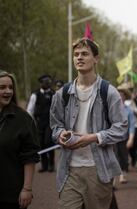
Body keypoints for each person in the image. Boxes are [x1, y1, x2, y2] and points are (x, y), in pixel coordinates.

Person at [50, 38, 127, 209]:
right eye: (76, 54)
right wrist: (60, 134)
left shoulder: (109, 92)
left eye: (84, 54)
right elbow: (55, 127)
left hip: (98, 169)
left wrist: (95, 137)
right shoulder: (62, 94)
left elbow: (121, 128)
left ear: (96, 59)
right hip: (69, 169)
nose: (79, 57)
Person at [0, 71, 40, 209]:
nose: (7, 91)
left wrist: (27, 189)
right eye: (2, 87)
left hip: (11, 195)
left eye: (10, 87)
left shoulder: (23, 119)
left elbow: (30, 156)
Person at [27, 74, 55, 172]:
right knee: (41, 144)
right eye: (45, 82)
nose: (47, 83)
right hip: (39, 123)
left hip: (50, 123)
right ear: (41, 83)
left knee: (49, 142)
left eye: (49, 82)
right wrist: (31, 124)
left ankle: (51, 164)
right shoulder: (35, 94)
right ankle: (44, 165)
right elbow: (30, 110)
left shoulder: (53, 94)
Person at [116, 85, 135, 183]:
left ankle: (122, 175)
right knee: (113, 158)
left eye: (122, 95)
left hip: (124, 137)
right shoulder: (111, 108)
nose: (120, 97)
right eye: (118, 95)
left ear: (124, 97)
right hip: (112, 138)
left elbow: (132, 125)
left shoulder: (129, 110)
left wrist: (131, 138)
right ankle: (114, 180)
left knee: (123, 157)